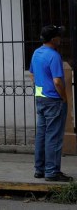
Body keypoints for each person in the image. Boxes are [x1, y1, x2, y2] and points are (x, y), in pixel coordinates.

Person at [30, 25, 73, 182]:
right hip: (54, 101)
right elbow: (57, 81)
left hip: (40, 99)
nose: (60, 38)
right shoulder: (54, 56)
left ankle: (39, 169)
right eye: (59, 36)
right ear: (53, 39)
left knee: (41, 135)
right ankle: (52, 171)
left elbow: (32, 75)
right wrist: (63, 97)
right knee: (53, 136)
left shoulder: (36, 53)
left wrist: (41, 88)